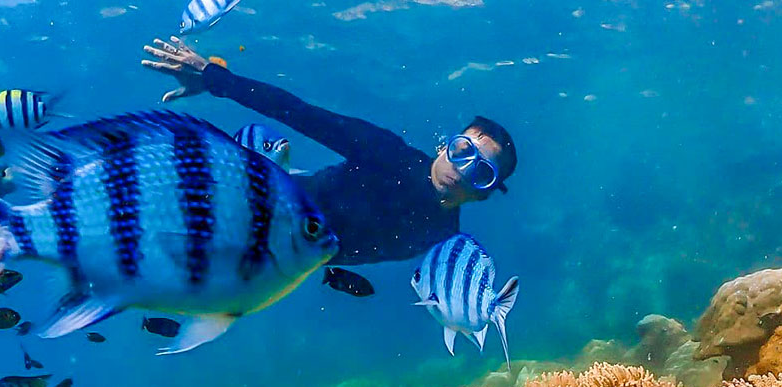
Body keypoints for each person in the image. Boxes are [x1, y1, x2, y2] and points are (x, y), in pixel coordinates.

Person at [141, 36, 517, 269]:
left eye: (481, 172)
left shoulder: (444, 237)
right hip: (256, 203)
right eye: (462, 150)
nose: (462, 170)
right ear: (444, 145)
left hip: (271, 261)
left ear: (484, 192)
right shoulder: (387, 153)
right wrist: (213, 77)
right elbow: (303, 114)